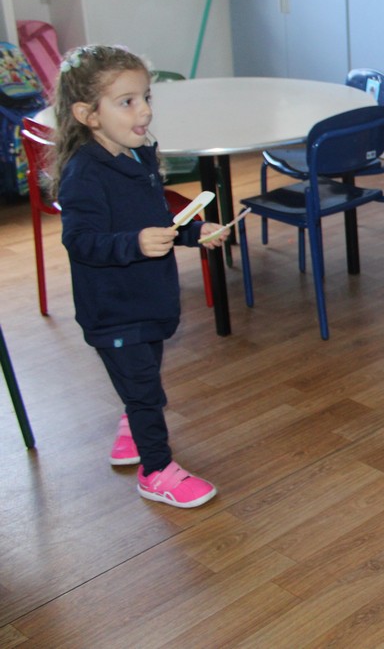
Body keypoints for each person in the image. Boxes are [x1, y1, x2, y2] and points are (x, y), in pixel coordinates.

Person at [52, 45, 229, 508]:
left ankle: (133, 419)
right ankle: (155, 470)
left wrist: (192, 232)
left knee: (144, 377)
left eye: (146, 97)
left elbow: (156, 223)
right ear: (88, 115)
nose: (145, 110)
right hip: (114, 309)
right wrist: (133, 244)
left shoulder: (136, 155)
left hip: (148, 299)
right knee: (147, 393)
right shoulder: (85, 173)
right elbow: (81, 241)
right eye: (127, 102)